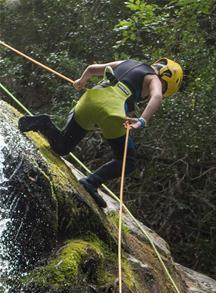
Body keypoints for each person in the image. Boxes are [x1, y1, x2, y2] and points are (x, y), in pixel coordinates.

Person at [18, 57, 183, 209]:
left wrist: (81, 81)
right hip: (111, 111)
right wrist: (142, 120)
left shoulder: (127, 62)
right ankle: (91, 182)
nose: (161, 89)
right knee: (128, 161)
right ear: (166, 79)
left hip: (89, 99)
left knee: (62, 146)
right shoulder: (155, 79)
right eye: (165, 87)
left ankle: (44, 124)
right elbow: (157, 97)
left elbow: (91, 69)